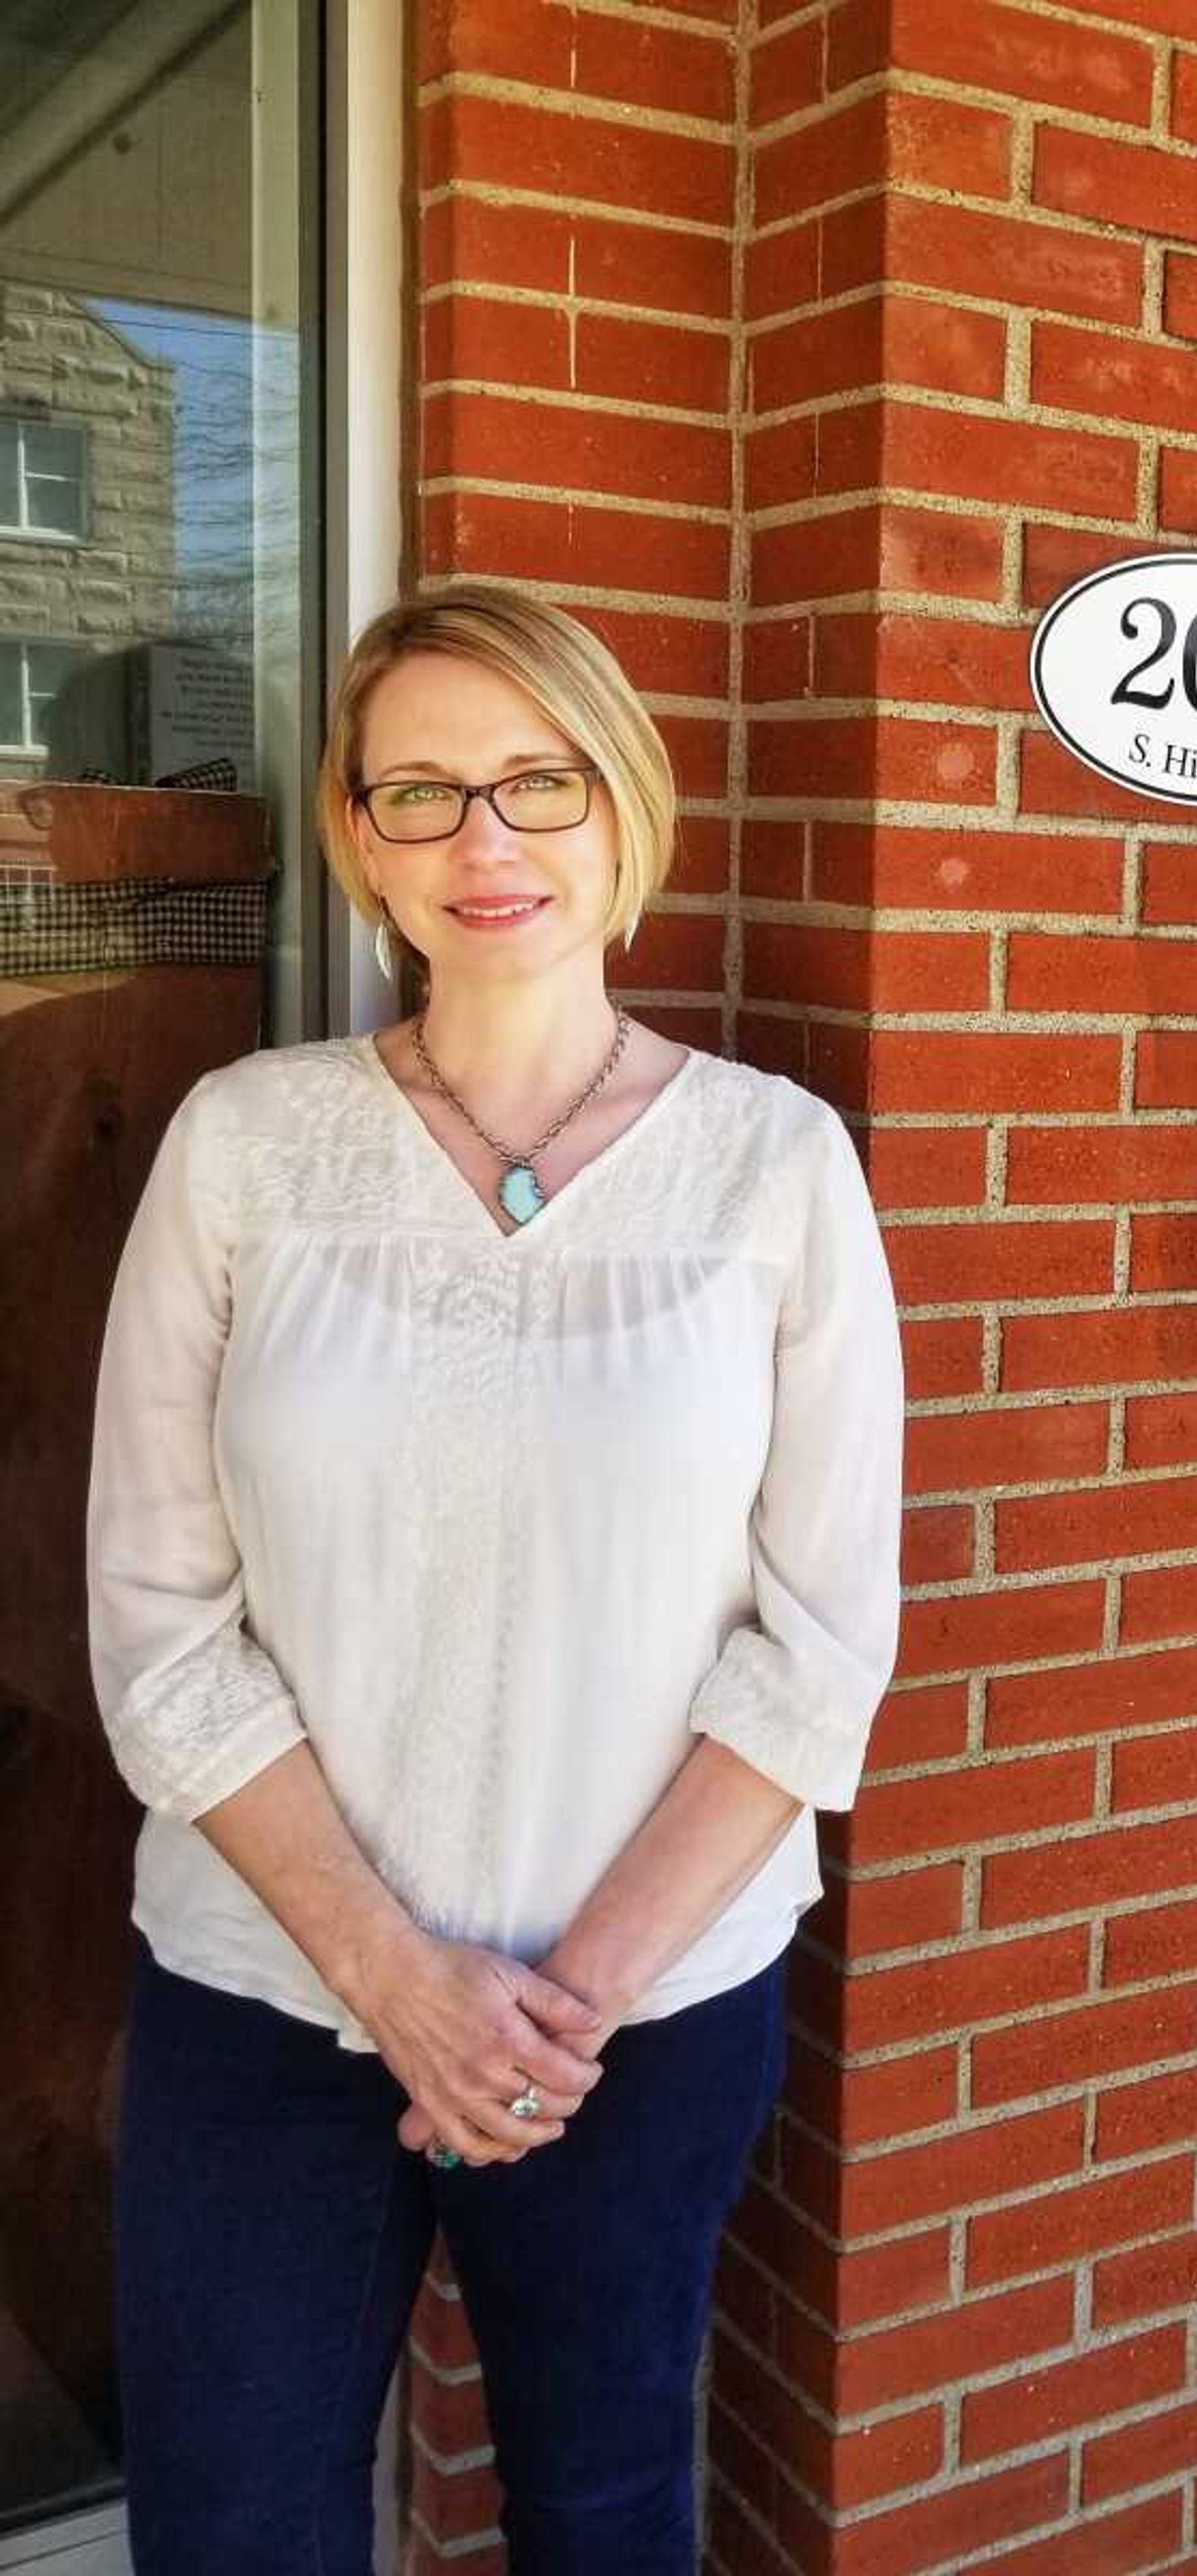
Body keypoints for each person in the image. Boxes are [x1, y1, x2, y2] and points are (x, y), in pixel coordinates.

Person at [81, 581, 908, 2574]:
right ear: (359, 839)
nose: (487, 840)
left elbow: (817, 1646)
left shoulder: (771, 1168)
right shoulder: (245, 1147)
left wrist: (556, 2013)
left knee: (608, 2513)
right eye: (423, 791)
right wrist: (393, 1979)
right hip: (270, 2002)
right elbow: (157, 1622)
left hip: (640, 2013)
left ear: (625, 809)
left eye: (537, 780)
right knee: (233, 2529)